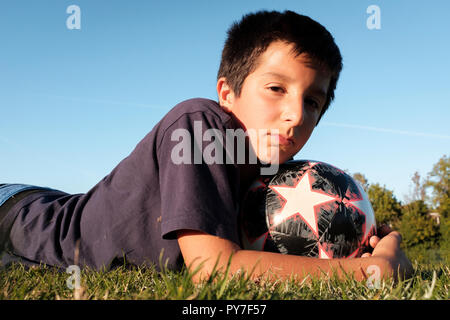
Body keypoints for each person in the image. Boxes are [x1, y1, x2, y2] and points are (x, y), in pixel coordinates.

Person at [0, 10, 412, 283]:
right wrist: (370, 271)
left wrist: (368, 242)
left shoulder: (280, 177)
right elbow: (215, 269)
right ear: (227, 93)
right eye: (275, 88)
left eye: (313, 101)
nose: (296, 115)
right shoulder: (201, 124)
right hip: (22, 213)